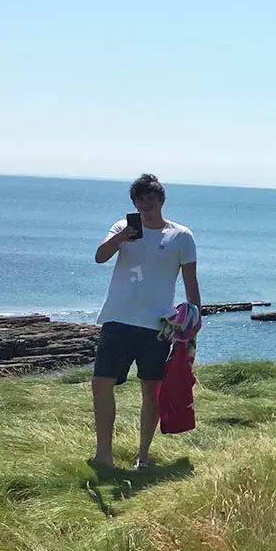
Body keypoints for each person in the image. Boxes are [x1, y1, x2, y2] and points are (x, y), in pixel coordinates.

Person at [91, 173, 201, 468]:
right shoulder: (121, 227)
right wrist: (120, 237)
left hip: (158, 325)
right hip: (117, 317)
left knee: (151, 391)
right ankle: (104, 455)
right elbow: (100, 257)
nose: (145, 206)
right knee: (101, 383)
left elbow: (191, 281)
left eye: (150, 200)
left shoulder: (181, 236)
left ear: (160, 200)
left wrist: (194, 319)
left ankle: (143, 455)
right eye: (139, 201)